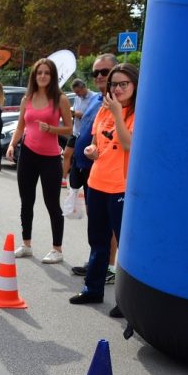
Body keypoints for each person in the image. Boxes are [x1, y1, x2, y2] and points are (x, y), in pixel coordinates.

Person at [69, 63, 138, 316]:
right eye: (114, 84)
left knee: (125, 247)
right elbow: (97, 141)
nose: (117, 89)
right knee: (98, 241)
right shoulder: (103, 110)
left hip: (122, 187)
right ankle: (93, 289)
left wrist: (118, 113)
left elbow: (129, 144)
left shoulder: (138, 112)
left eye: (123, 84)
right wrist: (92, 150)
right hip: (97, 182)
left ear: (134, 85)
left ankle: (126, 303)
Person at [5, 58, 73, 264]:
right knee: (26, 202)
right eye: (39, 73)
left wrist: (52, 129)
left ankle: (57, 249)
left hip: (50, 158)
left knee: (52, 204)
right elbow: (20, 126)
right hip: (27, 154)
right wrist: (12, 145)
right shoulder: (27, 98)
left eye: (47, 73)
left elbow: (69, 129)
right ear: (34, 76)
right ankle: (26, 244)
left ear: (52, 76)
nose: (42, 76)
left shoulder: (60, 99)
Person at [69, 54, 118, 281]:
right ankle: (97, 262)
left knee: (108, 222)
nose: (99, 76)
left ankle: (109, 267)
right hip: (88, 168)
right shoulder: (98, 99)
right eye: (95, 72)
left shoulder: (117, 102)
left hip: (108, 172)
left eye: (104, 72)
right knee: (96, 222)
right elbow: (88, 132)